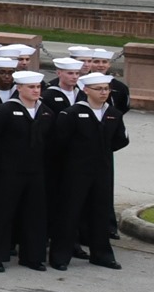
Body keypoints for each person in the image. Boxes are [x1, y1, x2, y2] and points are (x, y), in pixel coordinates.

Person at [50, 73, 129, 271]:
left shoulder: (113, 114)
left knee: (100, 212)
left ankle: (101, 254)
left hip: (101, 171)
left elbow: (121, 139)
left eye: (106, 89)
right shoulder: (71, 114)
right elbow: (59, 143)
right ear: (86, 90)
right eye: (99, 89)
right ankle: (61, 255)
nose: (104, 93)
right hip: (75, 172)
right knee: (69, 213)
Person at [0, 69, 53, 272]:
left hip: (35, 171)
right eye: (31, 87)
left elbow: (51, 142)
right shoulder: (4, 110)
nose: (35, 90)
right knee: (2, 214)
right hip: (9, 171)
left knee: (35, 216)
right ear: (19, 88)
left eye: (38, 87)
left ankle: (32, 256)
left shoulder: (46, 112)